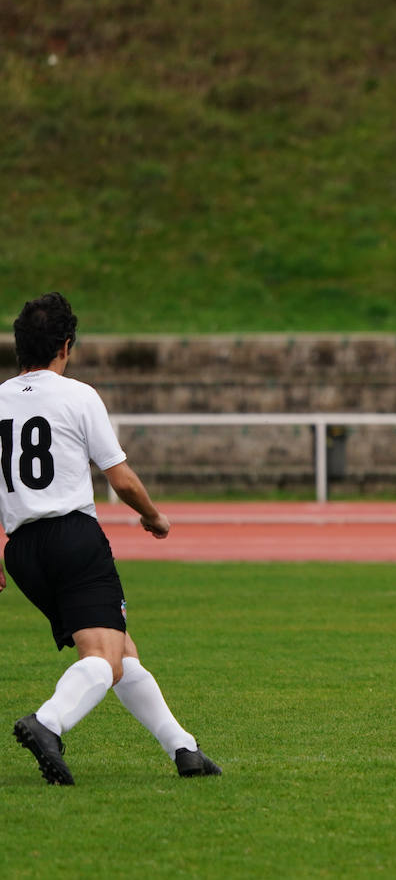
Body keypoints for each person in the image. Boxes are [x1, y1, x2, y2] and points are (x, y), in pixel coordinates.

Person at [1, 292, 221, 784]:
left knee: (121, 651)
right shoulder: (78, 396)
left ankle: (183, 748)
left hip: (22, 551)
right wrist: (154, 516)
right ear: (66, 345)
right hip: (71, 537)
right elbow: (120, 479)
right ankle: (47, 723)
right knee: (104, 659)